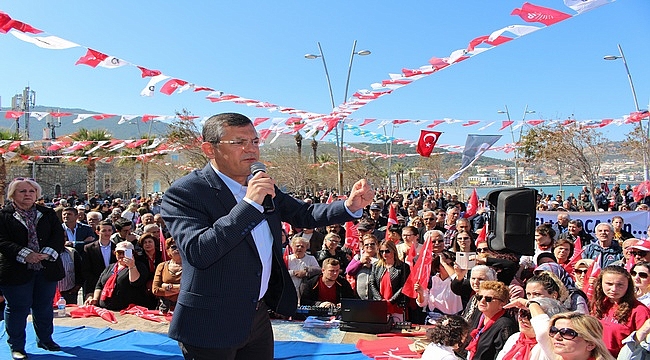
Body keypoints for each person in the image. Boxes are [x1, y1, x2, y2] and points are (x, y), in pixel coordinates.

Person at [160, 112, 374, 359]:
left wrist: (349, 206)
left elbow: (304, 213)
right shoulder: (185, 193)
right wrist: (249, 205)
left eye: (254, 141)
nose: (250, 149)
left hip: (258, 314)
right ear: (210, 149)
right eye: (239, 142)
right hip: (211, 321)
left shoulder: (262, 183)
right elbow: (200, 251)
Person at [0, 178, 65, 360]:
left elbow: (58, 235)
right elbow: (2, 241)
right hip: (15, 271)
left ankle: (45, 339)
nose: (27, 194)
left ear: (36, 194)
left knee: (44, 307)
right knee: (17, 309)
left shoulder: (48, 213)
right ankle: (17, 346)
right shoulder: (3, 216)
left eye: (31, 191)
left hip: (46, 267)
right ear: (12, 194)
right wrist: (25, 254)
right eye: (22, 191)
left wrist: (46, 253)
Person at [507, 302, 614, 360]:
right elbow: (542, 329)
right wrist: (530, 303)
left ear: (590, 344)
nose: (557, 337)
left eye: (567, 333)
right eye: (553, 331)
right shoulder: (557, 356)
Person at [590, 265, 650, 356]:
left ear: (628, 286)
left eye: (620, 285)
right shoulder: (599, 304)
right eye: (609, 284)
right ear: (600, 283)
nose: (614, 289)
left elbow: (643, 344)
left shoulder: (639, 311)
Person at [84, 241, 149, 311]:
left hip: (128, 311)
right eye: (118, 252)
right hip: (106, 309)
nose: (121, 255)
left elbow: (135, 282)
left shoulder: (139, 266)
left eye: (124, 252)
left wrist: (132, 266)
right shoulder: (110, 267)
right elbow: (99, 285)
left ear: (132, 253)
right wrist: (95, 299)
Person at [497, 297, 566, 360]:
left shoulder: (551, 345)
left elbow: (543, 332)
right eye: (522, 312)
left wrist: (530, 304)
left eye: (530, 316)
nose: (524, 319)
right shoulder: (515, 337)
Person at [465, 280, 517, 360]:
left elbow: (501, 356)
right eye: (479, 297)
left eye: (488, 299)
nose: (482, 301)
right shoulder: (479, 313)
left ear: (502, 304)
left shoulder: (505, 326)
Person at [369, 239, 411, 322]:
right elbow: (372, 283)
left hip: (396, 305)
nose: (384, 254)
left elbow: (404, 286)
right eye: (382, 251)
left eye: (387, 251)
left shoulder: (403, 267)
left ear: (393, 251)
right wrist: (381, 301)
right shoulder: (376, 266)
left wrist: (391, 301)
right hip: (379, 305)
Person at [415, 251, 462, 323]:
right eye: (444, 265)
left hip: (453, 321)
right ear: (437, 268)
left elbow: (456, 277)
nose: (448, 267)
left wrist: (444, 263)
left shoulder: (458, 280)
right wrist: (420, 293)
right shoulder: (431, 280)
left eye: (451, 264)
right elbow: (422, 304)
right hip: (433, 321)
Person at [81, 220, 116, 299]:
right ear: (97, 232)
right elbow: (85, 269)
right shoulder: (89, 248)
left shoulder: (116, 247)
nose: (107, 233)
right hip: (94, 285)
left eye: (109, 230)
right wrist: (99, 282)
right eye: (104, 230)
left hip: (112, 286)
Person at [152, 238, 182, 312]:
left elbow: (192, 288)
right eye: (173, 247)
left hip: (184, 308)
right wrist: (180, 289)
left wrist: (167, 286)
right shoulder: (161, 266)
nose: (177, 249)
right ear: (168, 251)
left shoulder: (191, 267)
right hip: (165, 308)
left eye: (180, 246)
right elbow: (155, 290)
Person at [287, 236, 320, 303]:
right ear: (292, 247)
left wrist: (306, 273)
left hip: (304, 290)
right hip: (290, 289)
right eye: (297, 246)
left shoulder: (311, 258)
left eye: (302, 246)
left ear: (306, 248)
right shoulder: (287, 259)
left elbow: (318, 270)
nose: (300, 248)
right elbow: (281, 273)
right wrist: (293, 272)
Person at [345, 234, 379, 300]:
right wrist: (360, 263)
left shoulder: (382, 258)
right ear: (363, 246)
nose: (369, 246)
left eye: (372, 244)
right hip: (359, 297)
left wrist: (372, 267)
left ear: (377, 245)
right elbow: (349, 271)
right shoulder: (358, 257)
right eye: (366, 244)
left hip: (376, 297)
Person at [135, 233, 162, 309]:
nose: (147, 244)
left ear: (154, 243)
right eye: (145, 242)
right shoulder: (139, 257)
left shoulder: (161, 255)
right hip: (145, 285)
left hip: (159, 282)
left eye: (150, 242)